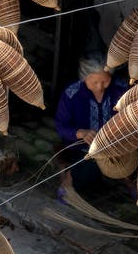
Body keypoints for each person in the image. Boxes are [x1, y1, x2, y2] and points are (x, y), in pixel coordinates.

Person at [55, 57, 130, 194]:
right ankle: (69, 179)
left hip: (116, 144)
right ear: (84, 78)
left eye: (105, 81)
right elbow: (61, 126)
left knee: (133, 163)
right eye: (94, 82)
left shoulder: (121, 89)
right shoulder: (72, 94)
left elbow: (132, 116)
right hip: (82, 148)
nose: (100, 86)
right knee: (86, 175)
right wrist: (81, 133)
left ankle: (131, 183)